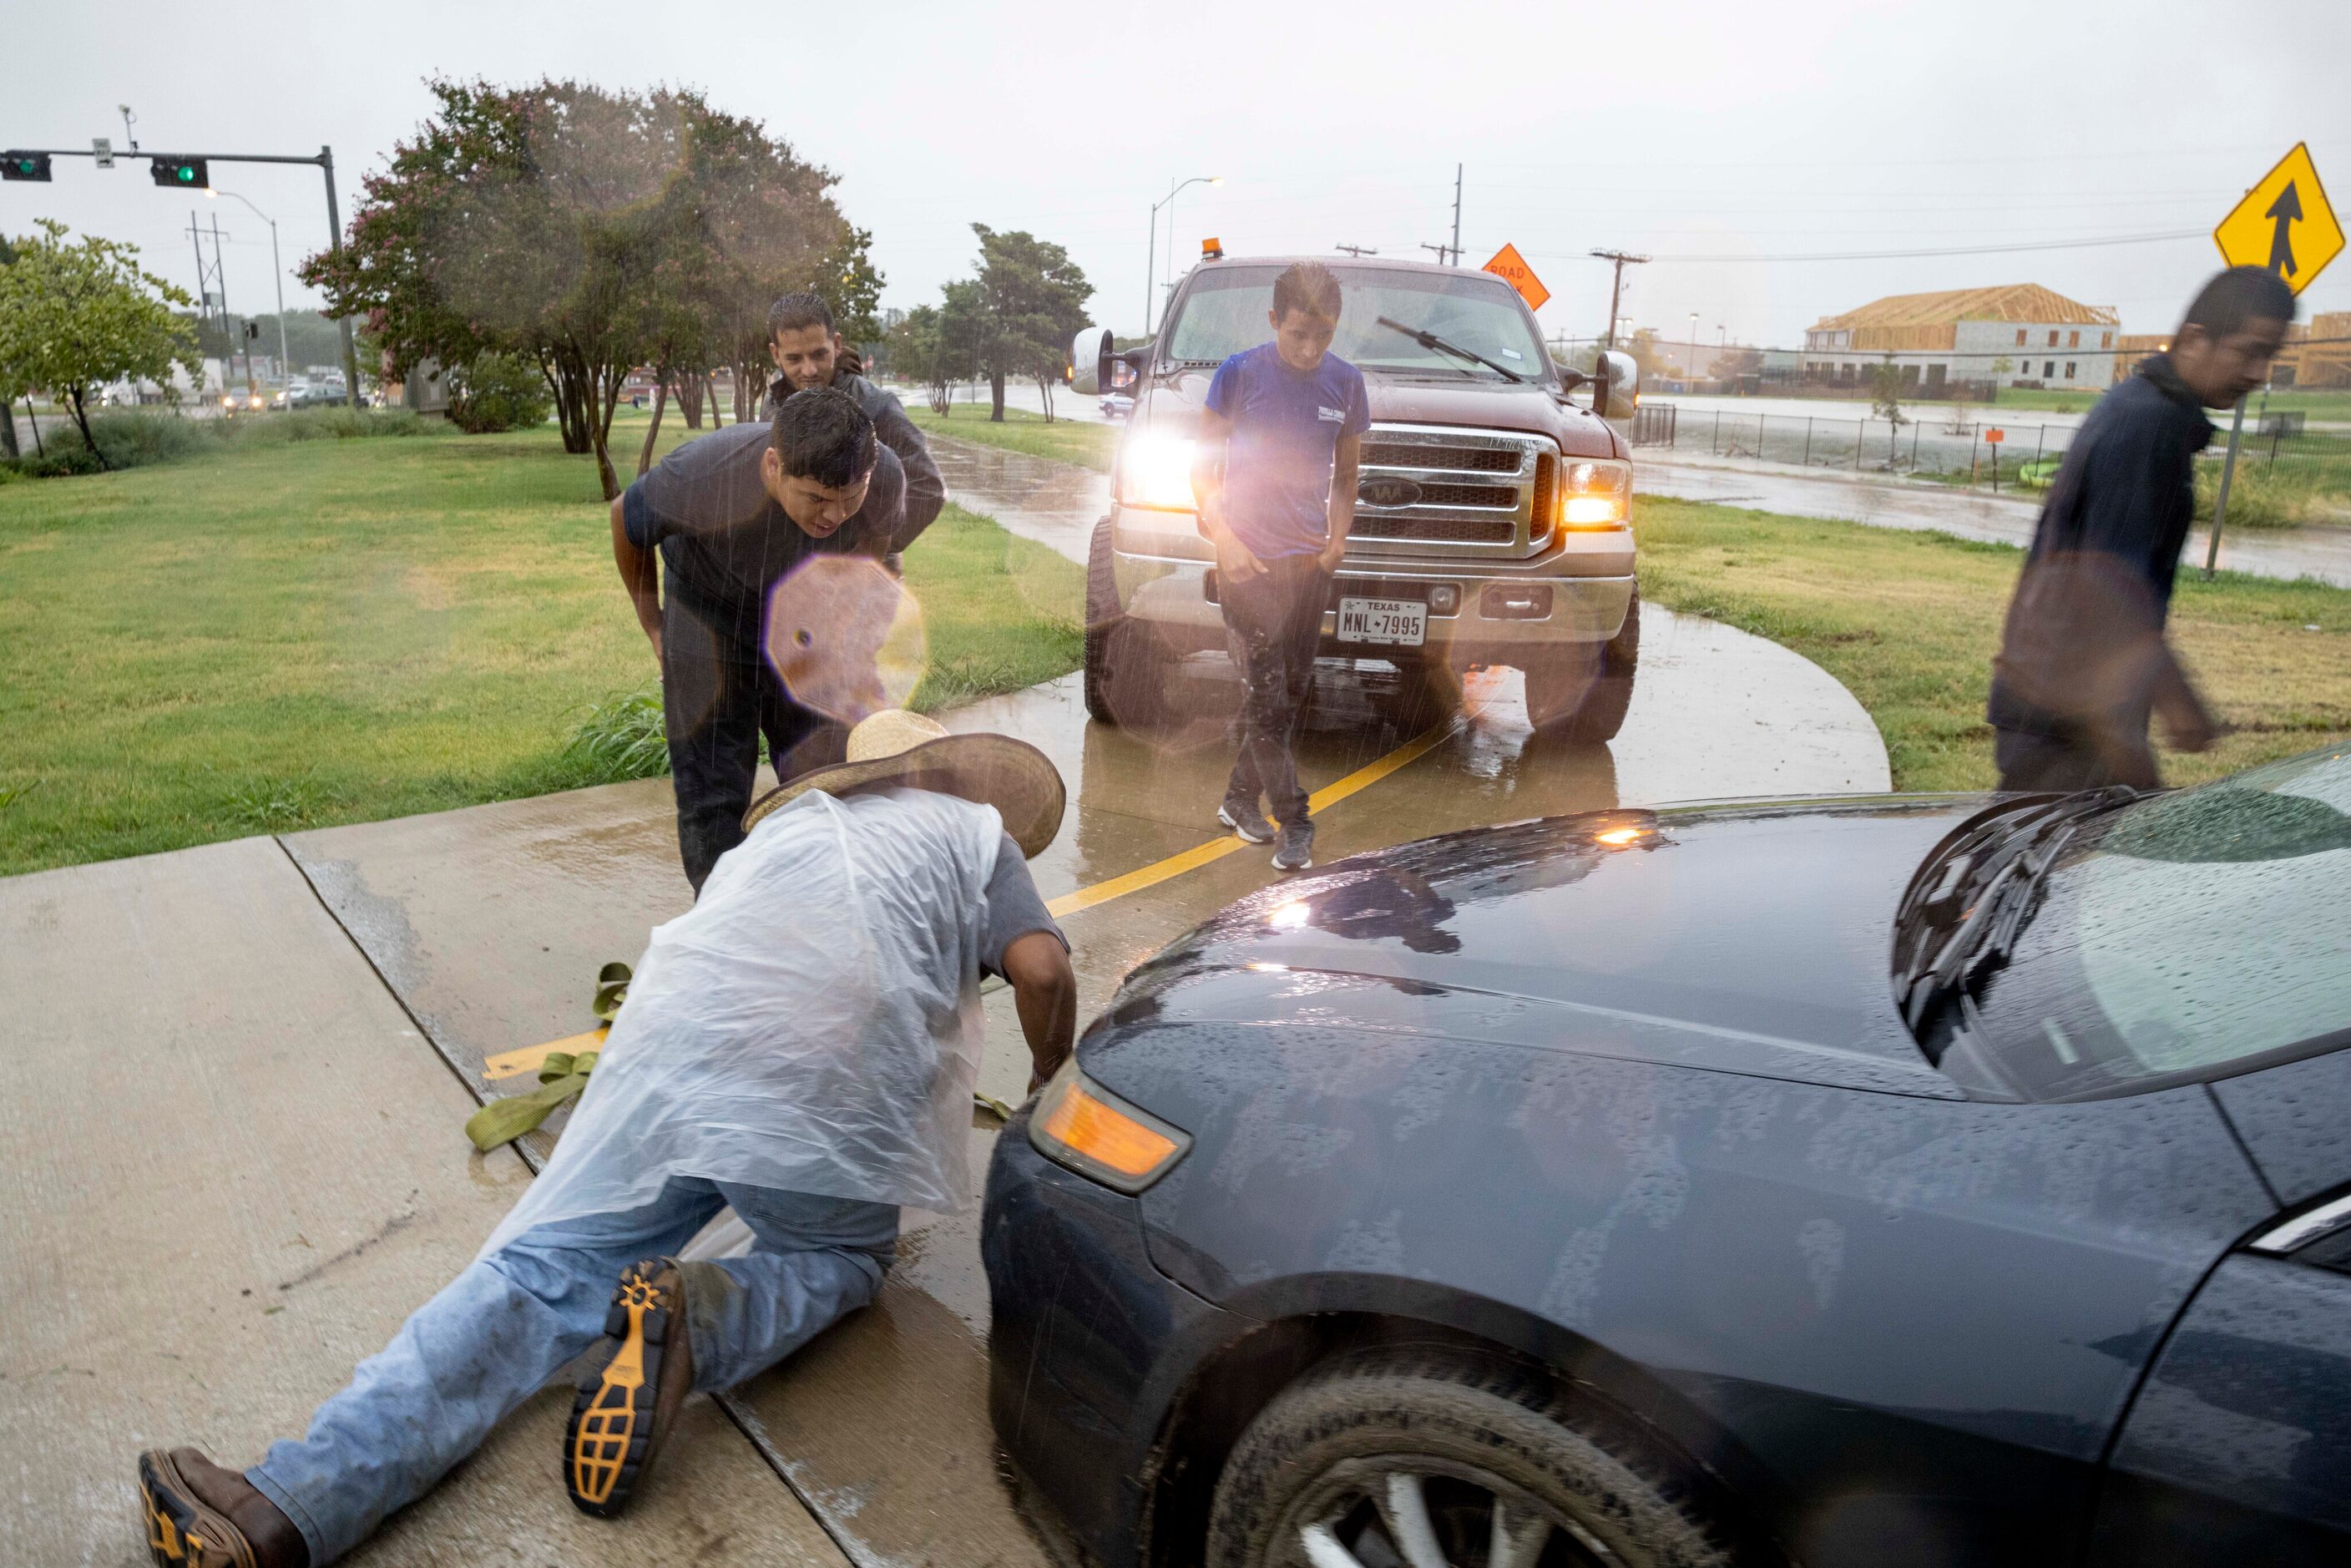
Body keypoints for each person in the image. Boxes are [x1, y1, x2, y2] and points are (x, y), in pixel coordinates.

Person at [135, 709, 1077, 1568]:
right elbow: (1039, 970)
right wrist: (1046, 1078)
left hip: (677, 1038)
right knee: (838, 1254)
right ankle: (693, 1327)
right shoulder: (973, 833)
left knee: (542, 1269)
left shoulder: (796, 829)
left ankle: (282, 1510)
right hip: (823, 1074)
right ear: (952, 780)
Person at [1987, 266, 2294, 792]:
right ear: (2197, 339)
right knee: (2053, 869)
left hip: (2056, 708)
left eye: (2272, 356)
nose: (2261, 372)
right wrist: (2140, 760)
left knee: (2033, 868)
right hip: (2065, 722)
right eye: (2250, 351)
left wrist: (2171, 695)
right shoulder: (2148, 428)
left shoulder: (2145, 409)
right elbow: (2104, 603)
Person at [612, 385, 907, 892]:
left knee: (830, 772)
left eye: (848, 499)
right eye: (816, 498)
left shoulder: (883, 478)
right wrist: (654, 627)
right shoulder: (703, 473)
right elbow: (625, 520)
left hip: (803, 619)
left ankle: (826, 904)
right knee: (713, 794)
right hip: (708, 616)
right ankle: (723, 917)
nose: (834, 516)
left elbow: (879, 547)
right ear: (774, 466)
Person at [1191, 260, 1370, 873]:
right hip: (1247, 564)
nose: (1310, 348)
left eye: (1323, 335)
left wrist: (1336, 541)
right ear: (1274, 320)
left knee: (1287, 696)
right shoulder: (1239, 375)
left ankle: (1239, 799)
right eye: (1297, 333)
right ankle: (1296, 820)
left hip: (1308, 565)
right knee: (1268, 697)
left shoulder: (1346, 384)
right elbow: (1201, 468)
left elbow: (1346, 476)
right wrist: (1223, 536)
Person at [761, 291, 945, 552]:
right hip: (785, 572)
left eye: (818, 354)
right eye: (794, 358)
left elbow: (928, 490)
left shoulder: (878, 406)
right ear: (776, 354)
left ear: (836, 344)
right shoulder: (772, 404)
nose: (809, 370)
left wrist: (869, 549)